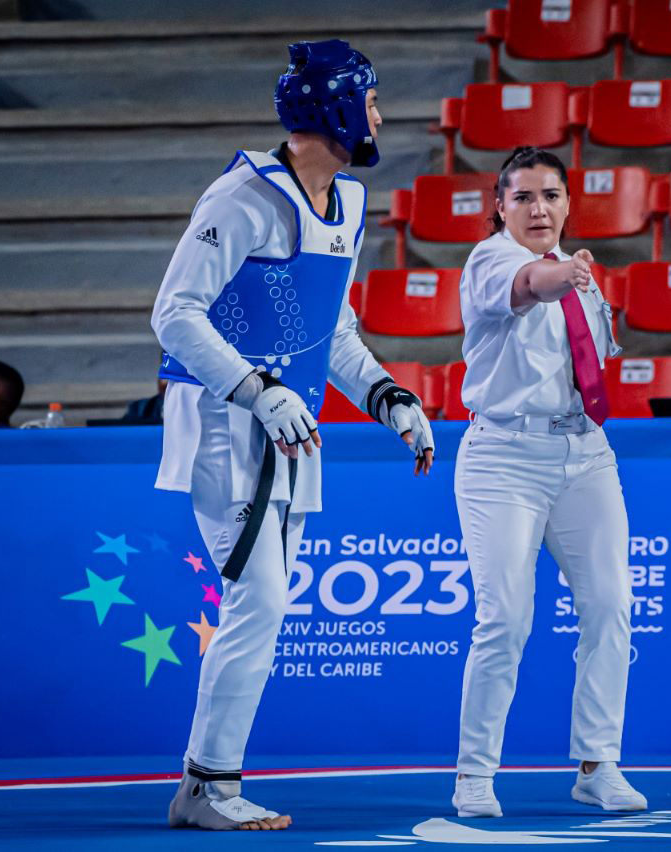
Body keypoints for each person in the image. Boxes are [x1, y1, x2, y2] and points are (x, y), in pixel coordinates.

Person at [151, 40, 434, 831]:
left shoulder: (346, 203)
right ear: (336, 108)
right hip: (221, 423)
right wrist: (252, 387)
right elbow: (174, 314)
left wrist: (386, 396)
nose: (380, 115)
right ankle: (208, 786)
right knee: (260, 599)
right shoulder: (240, 198)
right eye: (371, 101)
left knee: (263, 606)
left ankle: (204, 785)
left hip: (291, 424)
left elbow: (328, 332)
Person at [451, 147, 645, 818]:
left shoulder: (582, 278)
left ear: (567, 203)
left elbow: (591, 351)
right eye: (524, 196)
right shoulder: (493, 261)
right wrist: (566, 274)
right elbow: (533, 285)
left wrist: (578, 278)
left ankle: (599, 764)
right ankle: (475, 775)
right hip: (505, 456)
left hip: (586, 451)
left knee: (612, 605)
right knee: (504, 618)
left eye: (552, 195)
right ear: (499, 206)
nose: (539, 208)